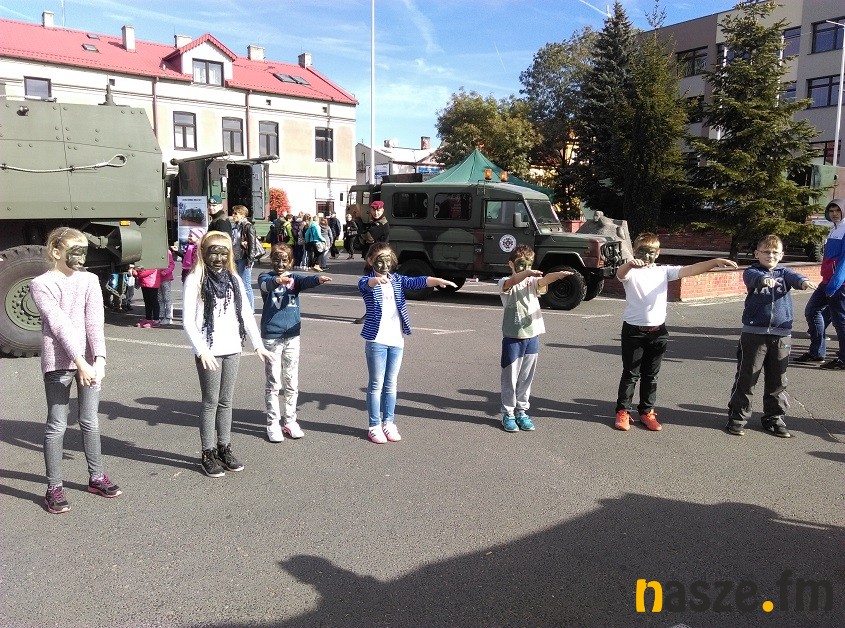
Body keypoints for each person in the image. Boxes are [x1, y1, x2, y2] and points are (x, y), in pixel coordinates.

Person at [30, 227, 121, 514]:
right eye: (76, 252)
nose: (82, 258)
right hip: (60, 363)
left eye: (85, 252)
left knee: (90, 420)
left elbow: (94, 322)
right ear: (56, 252)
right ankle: (54, 488)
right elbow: (59, 325)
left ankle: (96, 477)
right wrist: (79, 361)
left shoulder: (90, 280)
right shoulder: (41, 284)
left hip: (89, 363)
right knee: (57, 424)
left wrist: (100, 359)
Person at [614, 232, 737, 432]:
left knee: (651, 375)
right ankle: (623, 411)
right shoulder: (631, 272)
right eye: (642, 251)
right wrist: (630, 264)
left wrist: (714, 262)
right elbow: (620, 274)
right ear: (635, 251)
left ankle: (646, 411)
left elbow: (690, 270)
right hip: (633, 331)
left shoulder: (663, 271)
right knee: (631, 373)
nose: (647, 256)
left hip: (658, 332)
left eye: (651, 252)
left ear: (658, 253)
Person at [182, 231, 273, 477]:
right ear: (203, 253)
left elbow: (246, 315)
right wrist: (201, 350)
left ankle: (224, 448)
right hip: (209, 351)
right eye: (214, 252)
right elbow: (188, 321)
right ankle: (207, 453)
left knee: (226, 401)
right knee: (210, 402)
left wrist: (258, 345)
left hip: (233, 348)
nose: (219, 258)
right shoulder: (195, 279)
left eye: (224, 253)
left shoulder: (234, 279)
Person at [358, 242, 456, 443]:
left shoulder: (397, 280)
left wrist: (437, 280)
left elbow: (417, 281)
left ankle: (389, 423)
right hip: (376, 340)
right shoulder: (366, 281)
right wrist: (375, 281)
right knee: (376, 384)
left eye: (388, 260)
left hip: (396, 340)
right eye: (380, 260)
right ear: (370, 261)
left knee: (391, 384)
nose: (385, 264)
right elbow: (365, 286)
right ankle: (374, 426)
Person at [726, 235, 815, 438]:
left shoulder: (785, 273)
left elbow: (795, 277)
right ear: (757, 253)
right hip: (754, 334)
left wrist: (803, 282)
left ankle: (774, 418)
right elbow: (753, 278)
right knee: (747, 378)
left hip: (781, 335)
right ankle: (737, 418)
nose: (771, 255)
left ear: (781, 255)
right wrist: (763, 280)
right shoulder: (752, 271)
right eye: (766, 252)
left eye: (775, 252)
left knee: (777, 380)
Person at [258, 243, 332, 442]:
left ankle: (290, 420)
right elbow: (265, 285)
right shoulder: (265, 277)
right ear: (271, 260)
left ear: (291, 261)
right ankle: (272, 423)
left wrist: (317, 279)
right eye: (276, 259)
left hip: (292, 336)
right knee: (273, 382)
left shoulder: (294, 279)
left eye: (285, 260)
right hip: (272, 337)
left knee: (291, 381)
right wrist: (277, 280)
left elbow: (306, 281)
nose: (280, 264)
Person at [498, 245, 574, 432]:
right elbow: (512, 281)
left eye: (529, 265)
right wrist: (526, 273)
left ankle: (521, 411)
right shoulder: (505, 282)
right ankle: (508, 413)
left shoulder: (532, 282)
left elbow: (543, 281)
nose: (526, 269)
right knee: (510, 377)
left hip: (532, 336)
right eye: (521, 264)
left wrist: (556, 275)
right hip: (513, 337)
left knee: (526, 377)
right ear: (511, 264)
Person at [796, 198, 845, 370]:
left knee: (840, 322)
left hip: (839, 284)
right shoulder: (834, 229)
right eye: (831, 211)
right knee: (812, 311)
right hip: (827, 281)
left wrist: (834, 284)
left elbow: (844, 261)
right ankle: (817, 352)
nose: (834, 214)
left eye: (837, 211)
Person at [353, 201, 390, 324]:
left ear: (382, 210)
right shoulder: (374, 223)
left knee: (371, 289)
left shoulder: (381, 224)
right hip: (374, 259)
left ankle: (371, 314)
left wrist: (358, 220)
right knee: (373, 288)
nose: (376, 212)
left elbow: (367, 236)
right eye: (374, 210)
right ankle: (376, 313)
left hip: (378, 261)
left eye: (378, 210)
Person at [231, 205, 260, 310]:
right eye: (233, 213)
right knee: (238, 283)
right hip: (236, 257)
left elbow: (252, 245)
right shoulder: (236, 226)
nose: (233, 215)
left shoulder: (248, 226)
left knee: (246, 284)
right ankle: (242, 308)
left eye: (236, 213)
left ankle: (250, 309)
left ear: (242, 215)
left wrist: (250, 260)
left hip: (244, 258)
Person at [133, 263, 161, 328]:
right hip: (145, 282)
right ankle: (148, 319)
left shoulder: (154, 261)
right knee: (147, 302)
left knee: (153, 301)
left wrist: (137, 273)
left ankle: (156, 320)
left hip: (152, 283)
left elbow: (148, 271)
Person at [158, 247, 175, 325]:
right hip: (157, 278)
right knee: (160, 298)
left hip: (166, 278)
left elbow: (172, 265)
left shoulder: (167, 252)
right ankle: (161, 315)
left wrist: (166, 271)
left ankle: (169, 317)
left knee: (167, 298)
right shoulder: (155, 251)